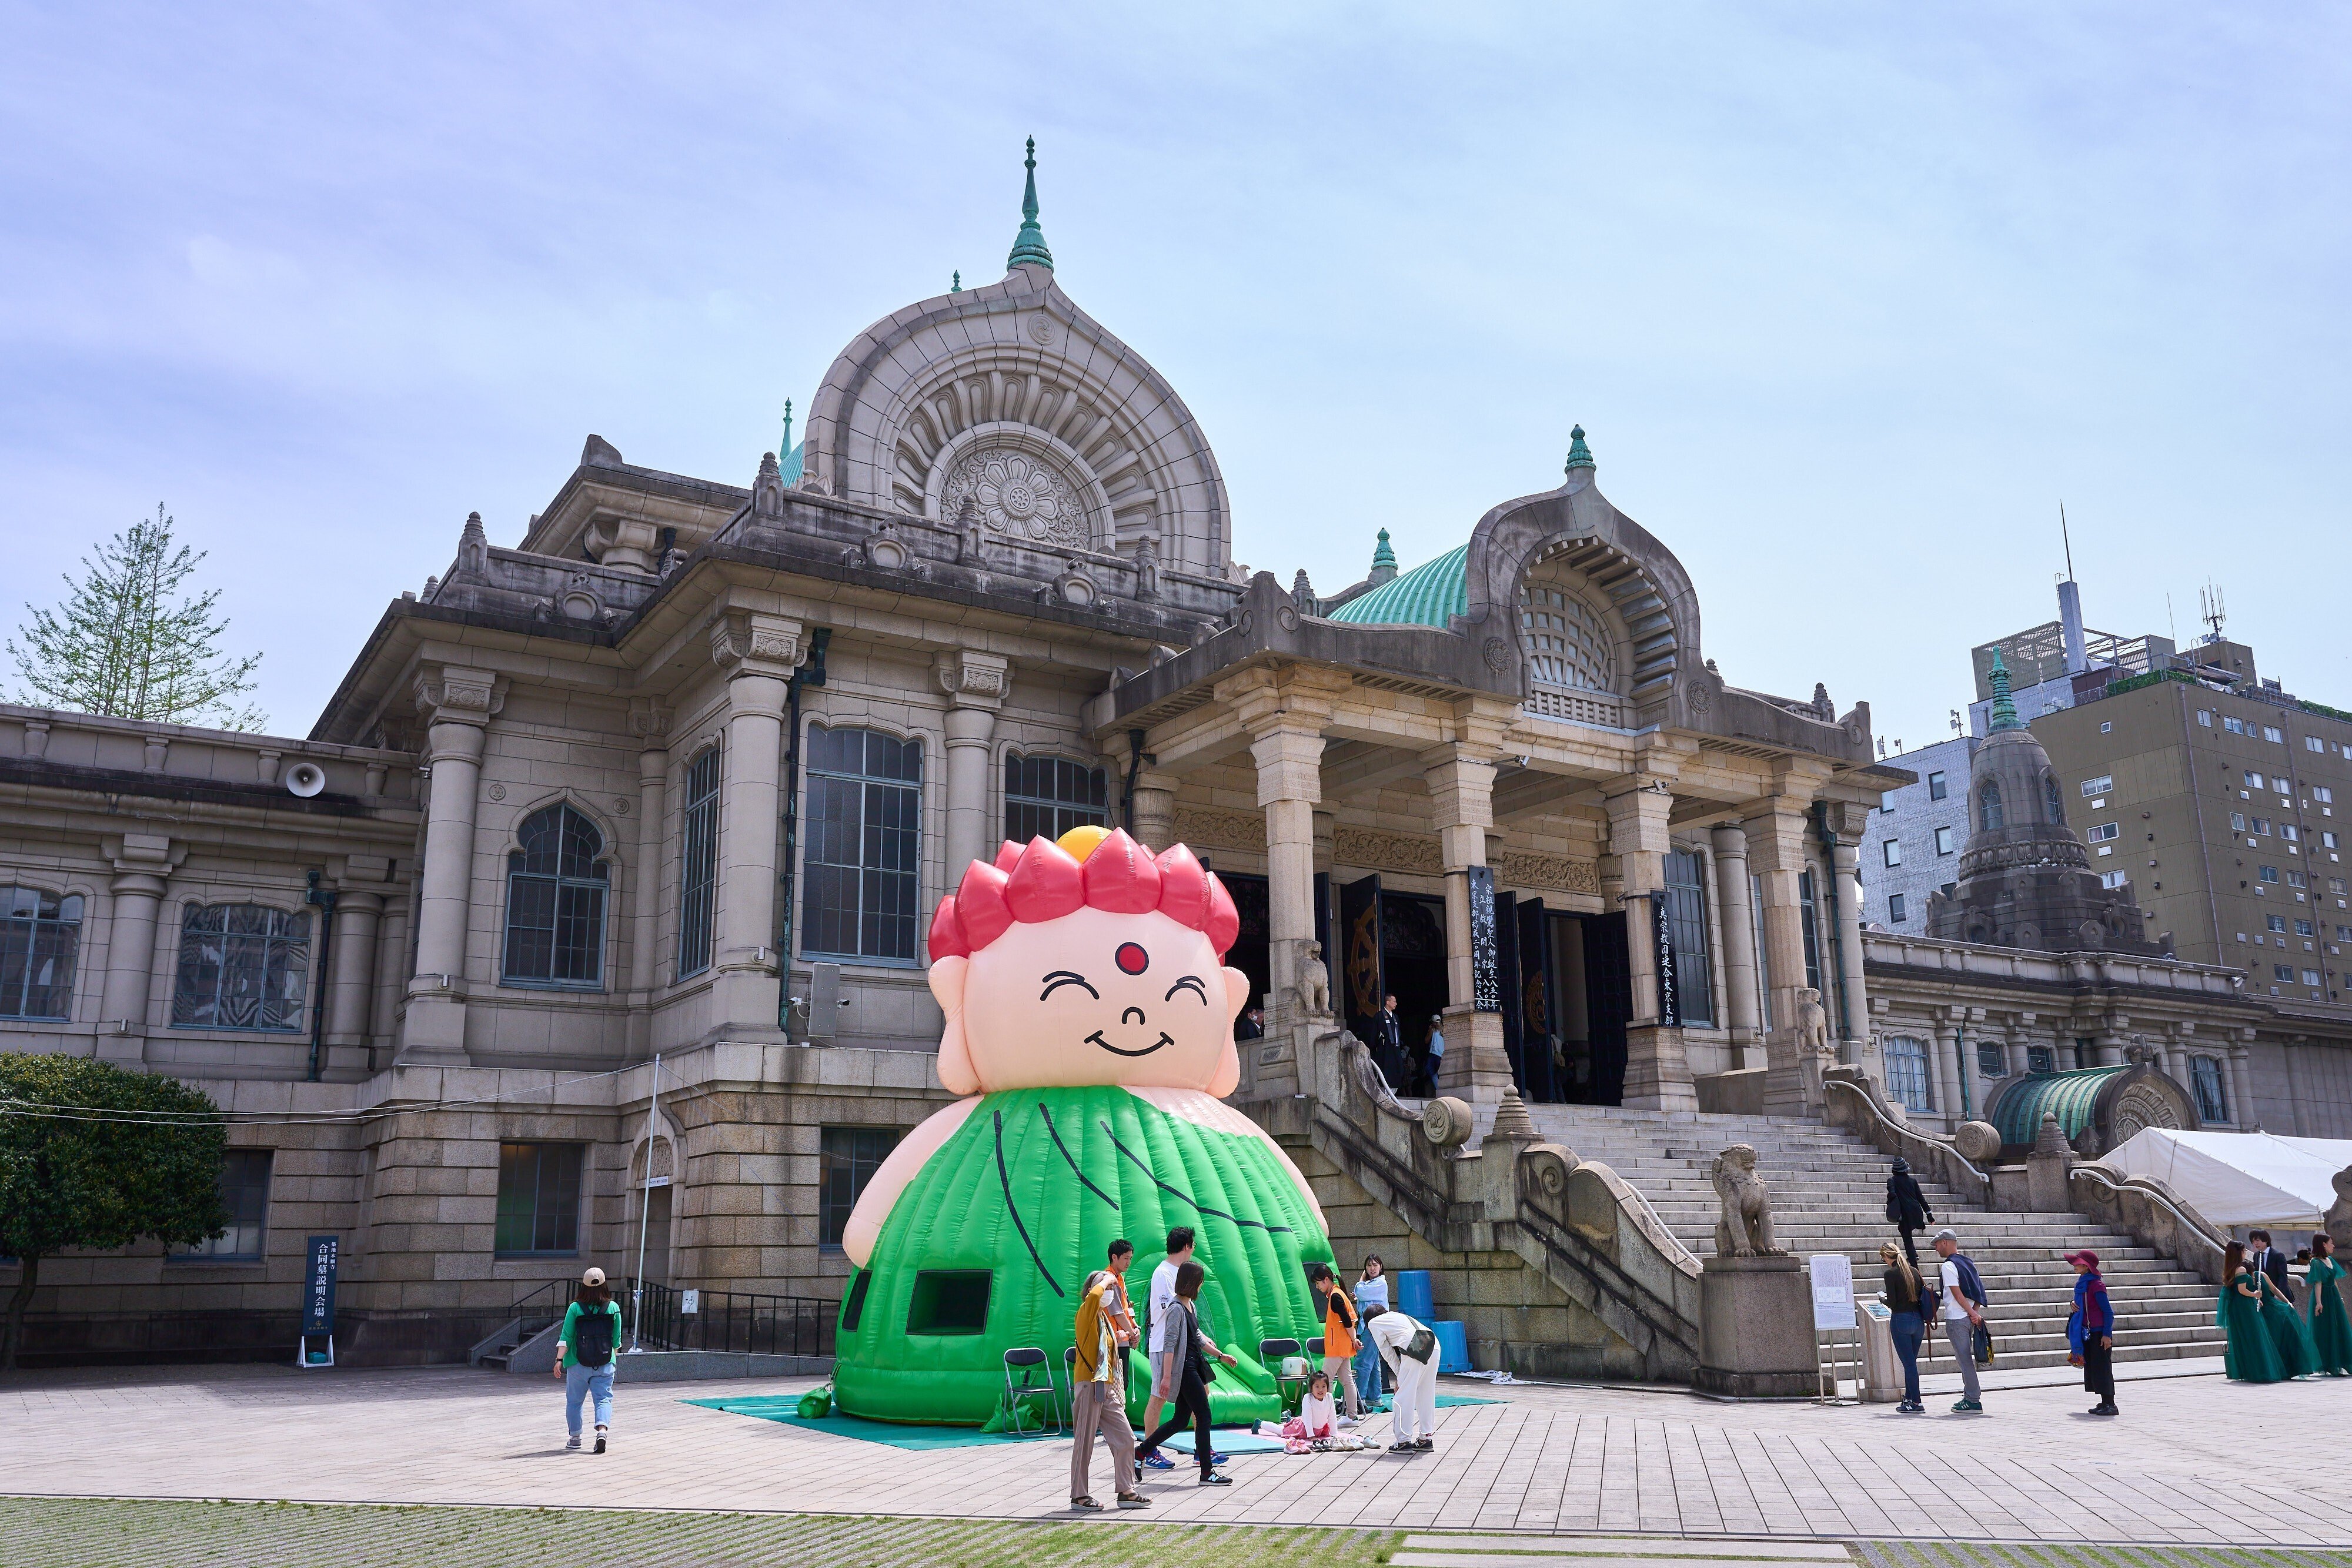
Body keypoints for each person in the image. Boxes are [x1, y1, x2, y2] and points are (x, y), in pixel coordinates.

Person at [1135, 1261, 1240, 1486]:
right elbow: (1170, 1343)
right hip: (1184, 1369)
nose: (1201, 1287)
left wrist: (1221, 1355)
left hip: (1192, 1365)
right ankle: (1206, 1472)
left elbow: (1198, 1336)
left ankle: (1141, 1452)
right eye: (1200, 1282)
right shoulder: (1175, 1309)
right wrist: (1166, 1377)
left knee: (1181, 1420)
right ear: (1193, 1283)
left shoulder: (1189, 1306)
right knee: (1204, 1416)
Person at [1069, 1267, 1148, 1511]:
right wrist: (1109, 1278)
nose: (1110, 1291)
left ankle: (1126, 1491)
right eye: (1106, 1287)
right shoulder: (1087, 1310)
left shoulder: (1103, 1317)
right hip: (1089, 1384)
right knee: (1085, 1443)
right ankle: (1079, 1496)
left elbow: (1107, 1343)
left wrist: (1126, 1334)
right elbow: (1094, 1297)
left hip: (1106, 1387)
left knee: (1126, 1437)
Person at [1137, 1226, 1195, 1470]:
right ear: (1185, 1247)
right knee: (1159, 1396)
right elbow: (1167, 1309)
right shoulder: (1163, 1274)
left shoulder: (1182, 1271)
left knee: (1201, 1393)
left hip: (1187, 1344)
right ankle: (1149, 1450)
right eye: (1192, 1245)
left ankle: (1204, 1448)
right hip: (1165, 1344)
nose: (1193, 1250)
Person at [551, 1266, 623, 1453]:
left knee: (575, 1402)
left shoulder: (575, 1308)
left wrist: (559, 1360)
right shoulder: (613, 1308)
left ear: (583, 1286)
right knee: (604, 1399)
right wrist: (610, 1358)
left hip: (577, 1363)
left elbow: (566, 1336)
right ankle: (602, 1431)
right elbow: (616, 1341)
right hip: (605, 1362)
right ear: (605, 1285)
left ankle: (575, 1439)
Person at [1364, 1304, 1439, 1453]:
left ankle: (1403, 1441)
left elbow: (1387, 1352)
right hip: (1433, 1342)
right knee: (1426, 1393)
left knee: (1402, 1397)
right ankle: (1426, 1438)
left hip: (1414, 1345)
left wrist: (1400, 1376)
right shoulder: (1396, 1316)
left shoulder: (1374, 1322)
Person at [2219, 1240, 2289, 1383]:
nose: (2246, 1253)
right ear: (2240, 1252)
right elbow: (2242, 1290)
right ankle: (2260, 1371)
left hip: (2239, 1307)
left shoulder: (2232, 1269)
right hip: (2245, 1308)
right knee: (2255, 1337)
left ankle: (2249, 1371)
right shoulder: (2241, 1269)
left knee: (2245, 1338)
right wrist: (2256, 1294)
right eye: (2244, 1250)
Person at [1931, 1229, 1986, 1413]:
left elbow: (1956, 1292)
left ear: (1945, 1242)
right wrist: (1974, 1313)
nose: (1936, 1248)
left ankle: (1972, 1399)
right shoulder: (1968, 1263)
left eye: (1937, 1244)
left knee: (1964, 1360)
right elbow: (1979, 1290)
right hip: (1969, 1318)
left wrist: (1971, 1312)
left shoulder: (1948, 1266)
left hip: (1956, 1318)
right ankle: (1971, 1397)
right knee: (1966, 1359)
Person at [2255, 1242, 2320, 1378]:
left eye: (2258, 1240)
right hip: (2261, 1310)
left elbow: (2275, 1288)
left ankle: (2295, 1367)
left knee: (2289, 1330)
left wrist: (2287, 1302)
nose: (2256, 1243)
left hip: (2274, 1306)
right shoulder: (2250, 1276)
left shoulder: (2264, 1273)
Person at [2066, 1250, 2117, 1416]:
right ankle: (2103, 1402)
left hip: (2099, 1333)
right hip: (2087, 1332)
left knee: (2102, 1368)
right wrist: (2073, 1303)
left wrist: (2107, 1334)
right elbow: (2081, 1304)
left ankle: (2111, 1404)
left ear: (2086, 1266)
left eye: (2077, 1263)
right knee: (2094, 1368)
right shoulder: (2082, 1284)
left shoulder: (2097, 1285)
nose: (2074, 1266)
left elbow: (2108, 1312)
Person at [1877, 1241, 1926, 1413]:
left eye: (1883, 1258)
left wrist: (1882, 1299)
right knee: (1911, 1362)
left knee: (1909, 1363)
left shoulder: (1890, 1274)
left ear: (1887, 1256)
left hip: (1901, 1320)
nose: (1884, 1261)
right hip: (1918, 1321)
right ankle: (1908, 1397)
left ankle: (1916, 1402)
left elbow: (1892, 1302)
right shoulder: (1914, 1271)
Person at [2304, 1232, 2351, 1377]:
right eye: (2331, 1242)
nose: (2333, 1245)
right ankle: (2329, 1363)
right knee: (2326, 1328)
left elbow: (2334, 1280)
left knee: (2340, 1327)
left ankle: (2343, 1361)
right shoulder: (2316, 1262)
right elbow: (2318, 1283)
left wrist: (2340, 1297)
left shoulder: (2330, 1260)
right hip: (2323, 1296)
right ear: (2324, 1244)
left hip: (2333, 1296)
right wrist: (2319, 1303)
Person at [1352, 1255, 1390, 1412]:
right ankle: (1374, 1398)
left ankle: (1359, 1399)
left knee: (1363, 1362)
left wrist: (1361, 1281)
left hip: (1373, 1324)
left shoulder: (1381, 1283)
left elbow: (1360, 1292)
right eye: (1369, 1266)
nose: (1372, 1268)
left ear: (1381, 1267)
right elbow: (1361, 1295)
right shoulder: (1372, 1284)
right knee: (1373, 1362)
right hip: (1369, 1325)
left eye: (1375, 1265)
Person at [1884, 1158, 1934, 1269]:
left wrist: (1891, 1202)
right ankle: (1914, 1254)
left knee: (1907, 1240)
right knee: (1906, 1234)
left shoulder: (1892, 1181)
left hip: (1905, 1213)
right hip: (1917, 1212)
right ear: (1906, 1169)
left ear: (1894, 1170)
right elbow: (1921, 1198)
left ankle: (1915, 1267)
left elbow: (1892, 1194)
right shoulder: (1913, 1181)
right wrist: (1929, 1215)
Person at [2249, 1230, 2295, 1303]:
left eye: (2258, 1240)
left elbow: (2283, 1277)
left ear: (2266, 1240)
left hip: (2281, 1294)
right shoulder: (2256, 1255)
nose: (2255, 1243)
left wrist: (2279, 1295)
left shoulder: (2278, 1255)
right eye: (2253, 1241)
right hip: (2265, 1296)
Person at [1372, 996, 1405, 1092]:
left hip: (1396, 1048)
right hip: (1385, 1048)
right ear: (1388, 1002)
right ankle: (1384, 1091)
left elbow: (1398, 1033)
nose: (1396, 1004)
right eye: (1394, 1001)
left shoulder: (1396, 1017)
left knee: (1398, 1068)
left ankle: (1394, 1091)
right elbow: (1374, 1035)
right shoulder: (1379, 1016)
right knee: (1385, 1068)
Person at [1294, 1369, 1338, 1442]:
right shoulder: (1308, 1398)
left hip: (1319, 1431)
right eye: (1317, 1387)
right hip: (1302, 1428)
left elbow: (1332, 1417)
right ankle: (1268, 1424)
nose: (1320, 1390)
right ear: (1311, 1388)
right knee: (1279, 1430)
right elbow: (1307, 1419)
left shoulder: (1329, 1397)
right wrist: (1311, 1436)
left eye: (1324, 1387)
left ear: (1328, 1388)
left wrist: (1335, 1435)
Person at [1415, 1015, 1447, 1097]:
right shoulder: (1444, 1031)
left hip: (1434, 1054)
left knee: (1431, 1071)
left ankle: (1439, 1090)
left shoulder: (1433, 1031)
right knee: (1439, 1073)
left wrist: (1429, 1030)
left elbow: (1426, 1041)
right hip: (1442, 1054)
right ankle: (1440, 1090)